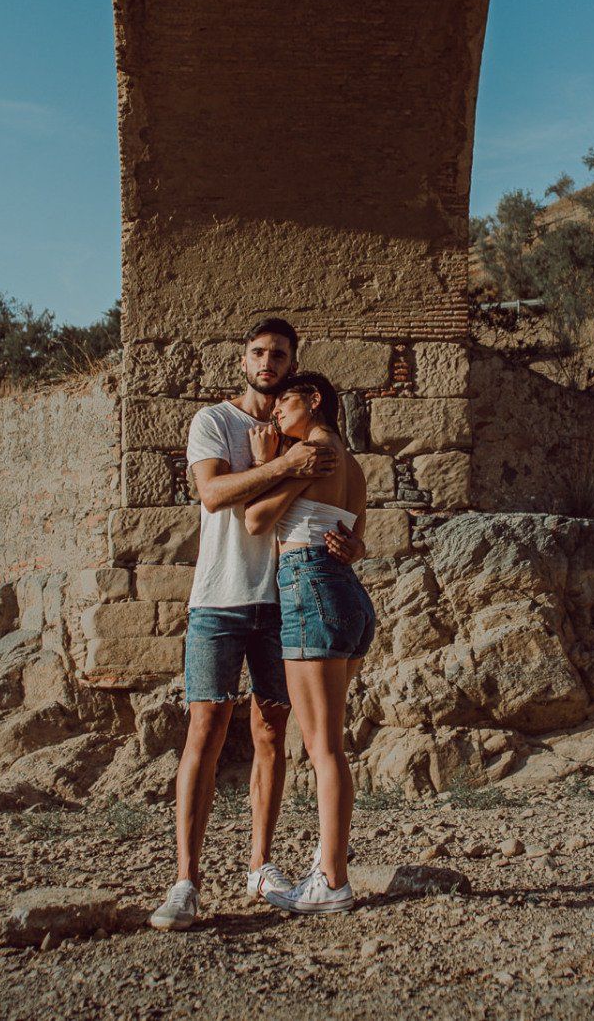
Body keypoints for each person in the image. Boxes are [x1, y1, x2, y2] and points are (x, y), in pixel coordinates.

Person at [149, 320, 367, 932]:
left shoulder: (307, 435)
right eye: (258, 352)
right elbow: (215, 496)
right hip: (218, 597)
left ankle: (260, 865)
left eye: (280, 354)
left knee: (273, 732)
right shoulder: (215, 422)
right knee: (205, 729)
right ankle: (186, 881)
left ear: (294, 364)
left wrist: (350, 548)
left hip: (285, 601)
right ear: (243, 360)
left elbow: (344, 515)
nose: (268, 362)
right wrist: (288, 465)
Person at [243, 371, 373, 915]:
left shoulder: (312, 453)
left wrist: (263, 462)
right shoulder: (351, 460)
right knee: (329, 745)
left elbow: (256, 519)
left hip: (309, 588)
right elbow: (357, 538)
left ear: (314, 401)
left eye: (284, 404)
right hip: (345, 594)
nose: (275, 413)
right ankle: (328, 863)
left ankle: (333, 881)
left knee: (323, 749)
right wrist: (353, 549)